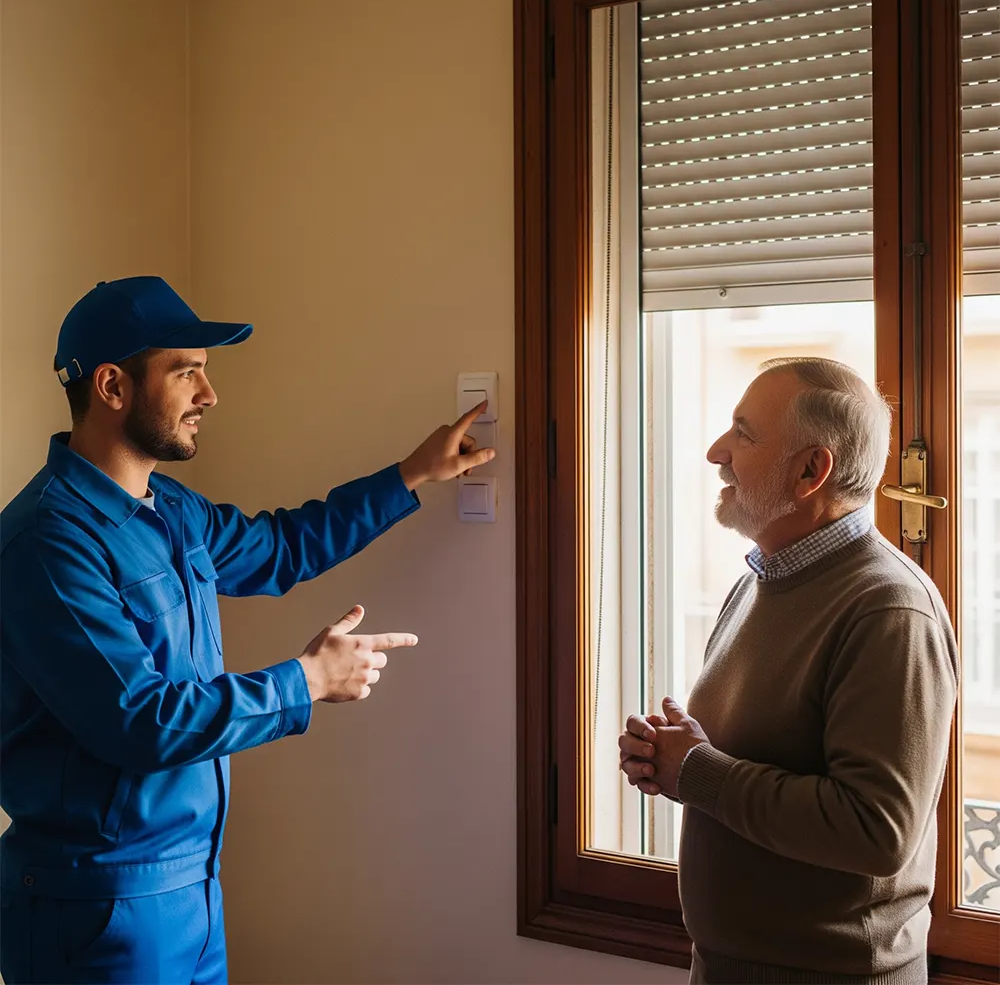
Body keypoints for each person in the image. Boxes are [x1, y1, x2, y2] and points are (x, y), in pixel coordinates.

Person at [0, 276, 495, 984]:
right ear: (112, 386)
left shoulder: (170, 508)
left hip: (193, 891)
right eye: (187, 372)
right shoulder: (47, 545)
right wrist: (305, 681)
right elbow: (139, 721)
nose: (209, 395)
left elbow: (281, 547)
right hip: (98, 905)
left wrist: (414, 474)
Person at [618, 358, 958, 985]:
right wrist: (671, 755)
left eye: (744, 434)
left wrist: (696, 771)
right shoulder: (759, 580)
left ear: (811, 471)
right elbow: (764, 754)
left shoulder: (889, 609)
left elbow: (875, 830)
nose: (717, 451)